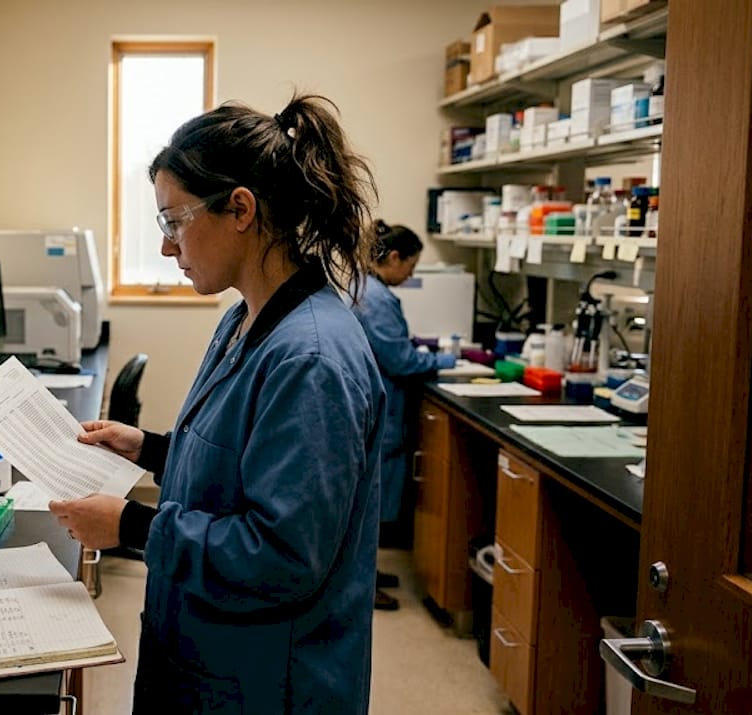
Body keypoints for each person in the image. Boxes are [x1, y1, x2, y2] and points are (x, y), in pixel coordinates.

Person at [48, 94, 386, 714]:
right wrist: (149, 448)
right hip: (209, 652)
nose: (169, 248)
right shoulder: (244, 317)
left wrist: (129, 526)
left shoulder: (311, 358)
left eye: (175, 222)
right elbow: (245, 463)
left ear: (240, 208)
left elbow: (284, 555)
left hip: (266, 680)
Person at [351, 221, 457, 611]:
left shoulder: (368, 289)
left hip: (376, 409)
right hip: (380, 413)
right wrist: (448, 361)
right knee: (370, 508)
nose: (411, 275)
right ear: (393, 258)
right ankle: (361, 585)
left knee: (370, 505)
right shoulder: (377, 297)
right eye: (410, 266)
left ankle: (367, 575)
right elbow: (398, 359)